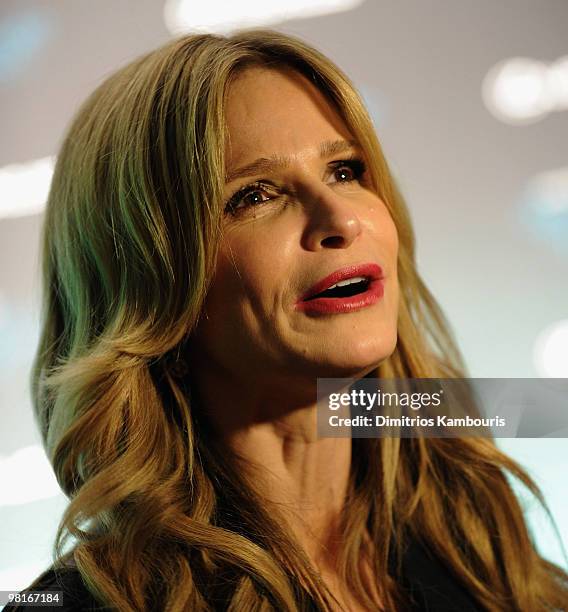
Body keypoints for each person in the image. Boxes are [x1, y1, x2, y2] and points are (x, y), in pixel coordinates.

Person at [7, 29, 568, 611]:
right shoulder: (88, 604)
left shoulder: (471, 529)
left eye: (345, 171)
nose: (340, 220)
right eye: (255, 195)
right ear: (153, 280)